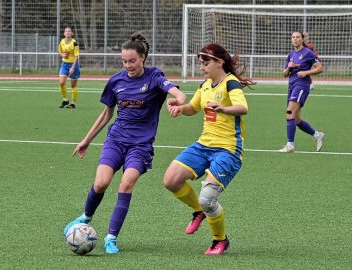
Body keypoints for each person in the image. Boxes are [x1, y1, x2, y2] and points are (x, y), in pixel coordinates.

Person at [63, 32, 186, 254]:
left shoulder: (155, 77)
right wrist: (86, 140)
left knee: (126, 184)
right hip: (116, 140)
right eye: (124, 61)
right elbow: (106, 114)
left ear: (143, 58)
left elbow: (178, 92)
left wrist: (178, 100)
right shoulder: (116, 81)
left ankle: (111, 238)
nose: (128, 65)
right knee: (100, 183)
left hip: (141, 146)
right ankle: (85, 217)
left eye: (132, 61)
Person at [163, 43, 255, 255]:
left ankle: (220, 240)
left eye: (206, 63)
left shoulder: (230, 84)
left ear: (219, 62)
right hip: (204, 145)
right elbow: (192, 108)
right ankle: (198, 212)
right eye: (201, 64)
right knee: (170, 180)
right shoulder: (205, 85)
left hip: (228, 149)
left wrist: (223, 108)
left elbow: (243, 108)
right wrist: (178, 107)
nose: (202, 67)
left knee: (207, 199)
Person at [279, 31, 324, 153]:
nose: (295, 39)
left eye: (297, 37)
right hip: (291, 86)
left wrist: (306, 73)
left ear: (302, 39)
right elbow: (284, 74)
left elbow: (320, 68)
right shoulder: (291, 55)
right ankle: (317, 135)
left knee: (289, 113)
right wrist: (290, 67)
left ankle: (290, 145)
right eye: (293, 37)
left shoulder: (308, 53)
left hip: (302, 85)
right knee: (296, 120)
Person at [58, 26, 80, 109]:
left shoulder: (75, 43)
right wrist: (62, 55)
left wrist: (73, 68)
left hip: (73, 65)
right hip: (64, 64)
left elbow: (76, 56)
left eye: (69, 31)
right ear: (64, 33)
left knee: (73, 85)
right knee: (61, 83)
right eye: (66, 31)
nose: (67, 32)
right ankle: (65, 100)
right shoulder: (62, 41)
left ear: (72, 33)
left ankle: (73, 103)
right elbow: (59, 51)